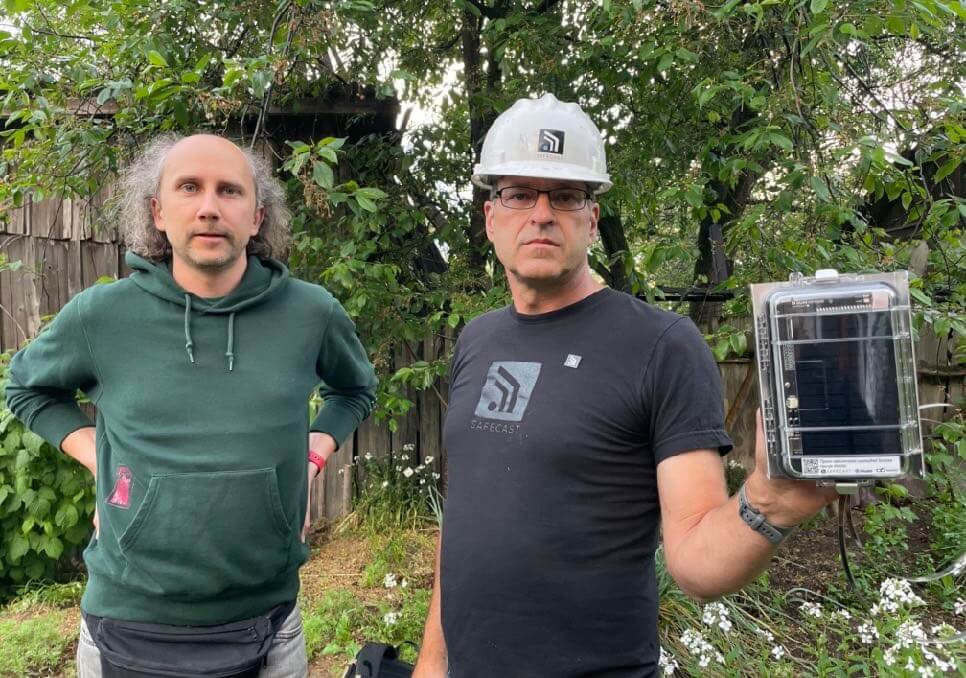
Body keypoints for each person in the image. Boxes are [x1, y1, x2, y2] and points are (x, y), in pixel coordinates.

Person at [413, 94, 837, 677]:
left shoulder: (661, 346)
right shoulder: (477, 339)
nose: (541, 213)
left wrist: (769, 504)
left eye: (565, 196)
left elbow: (694, 562)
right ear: (491, 218)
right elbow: (463, 522)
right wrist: (433, 661)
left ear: (591, 218)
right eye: (518, 194)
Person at [5, 133, 378, 677]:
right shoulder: (101, 316)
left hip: (268, 617)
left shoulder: (310, 314)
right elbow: (26, 387)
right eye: (189, 188)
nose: (208, 207)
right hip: (127, 616)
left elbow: (356, 389)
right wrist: (96, 456)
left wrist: (314, 454)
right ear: (157, 212)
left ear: (257, 217)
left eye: (229, 190)